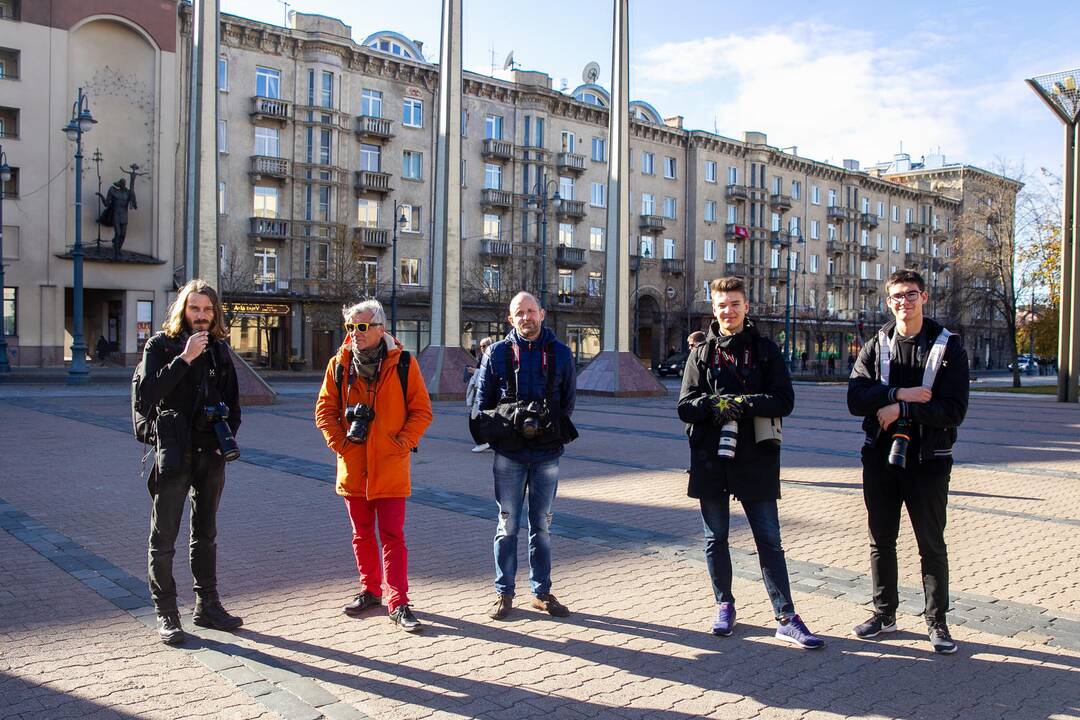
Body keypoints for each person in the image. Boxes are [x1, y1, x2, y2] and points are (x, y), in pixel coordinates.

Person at [677, 276, 823, 649]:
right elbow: (684, 406)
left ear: (746, 306)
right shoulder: (701, 353)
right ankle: (724, 605)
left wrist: (742, 404)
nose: (729, 311)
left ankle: (786, 616)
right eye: (722, 305)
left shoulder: (764, 350)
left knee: (769, 540)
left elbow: (784, 400)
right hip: (711, 457)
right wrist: (714, 405)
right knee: (716, 539)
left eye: (735, 303)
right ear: (714, 308)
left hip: (756, 457)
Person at [848, 270, 969, 654]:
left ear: (924, 297)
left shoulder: (948, 347)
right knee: (881, 540)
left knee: (930, 544)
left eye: (911, 294)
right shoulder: (877, 343)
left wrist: (900, 409)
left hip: (929, 459)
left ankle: (937, 621)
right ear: (888, 301)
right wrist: (902, 393)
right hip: (880, 458)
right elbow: (855, 398)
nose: (905, 302)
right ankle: (884, 613)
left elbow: (953, 410)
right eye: (897, 296)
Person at [315, 299, 433, 633]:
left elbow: (422, 411)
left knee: (394, 536)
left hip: (391, 465)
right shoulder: (339, 364)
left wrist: (401, 442)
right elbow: (324, 410)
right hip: (353, 466)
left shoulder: (403, 363)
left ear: (380, 329)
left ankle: (399, 601)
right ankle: (370, 590)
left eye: (362, 327)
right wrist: (340, 444)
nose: (354, 333)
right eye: (350, 327)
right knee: (361, 534)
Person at [136, 279, 242, 645]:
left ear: (216, 315)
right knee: (164, 537)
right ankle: (167, 613)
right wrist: (185, 359)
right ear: (182, 310)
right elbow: (148, 394)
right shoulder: (161, 346)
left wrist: (224, 441)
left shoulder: (220, 350)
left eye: (207, 310)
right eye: (194, 309)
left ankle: (207, 605)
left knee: (206, 534)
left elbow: (233, 403)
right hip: (174, 454)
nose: (201, 316)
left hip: (210, 455)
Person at [475, 292, 577, 621]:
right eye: (519, 312)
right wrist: (509, 421)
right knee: (507, 525)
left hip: (547, 453)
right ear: (510, 318)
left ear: (542, 314)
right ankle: (504, 594)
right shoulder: (497, 353)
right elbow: (483, 404)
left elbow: (568, 403)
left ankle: (541, 592)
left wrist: (545, 421)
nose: (526, 317)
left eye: (531, 311)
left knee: (542, 527)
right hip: (509, 455)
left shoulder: (561, 353)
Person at [466, 336, 495, 452]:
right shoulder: (483, 357)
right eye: (481, 346)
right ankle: (485, 441)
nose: (482, 348)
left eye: (484, 346)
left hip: (486, 394)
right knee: (476, 418)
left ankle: (483, 442)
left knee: (476, 419)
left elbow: (489, 375)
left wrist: (475, 372)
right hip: (481, 393)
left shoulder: (492, 357)